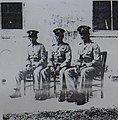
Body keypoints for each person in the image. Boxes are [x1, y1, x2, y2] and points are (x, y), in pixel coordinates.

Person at [64, 25, 102, 103]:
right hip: (82, 67)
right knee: (68, 72)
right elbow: (77, 59)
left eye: (84, 34)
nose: (83, 36)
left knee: (84, 72)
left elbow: (97, 60)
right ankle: (74, 93)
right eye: (81, 34)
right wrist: (77, 65)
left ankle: (82, 95)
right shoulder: (79, 46)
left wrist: (86, 65)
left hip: (94, 68)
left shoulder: (94, 45)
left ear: (88, 35)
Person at [10, 30, 47, 98]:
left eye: (33, 37)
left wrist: (36, 65)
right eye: (30, 37)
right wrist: (28, 65)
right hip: (30, 65)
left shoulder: (41, 46)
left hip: (38, 65)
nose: (31, 39)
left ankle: (37, 92)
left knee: (36, 73)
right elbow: (27, 59)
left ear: (36, 37)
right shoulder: (28, 47)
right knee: (18, 72)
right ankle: (17, 91)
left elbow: (43, 59)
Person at [40, 28, 72, 101]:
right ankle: (45, 92)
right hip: (53, 66)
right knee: (43, 72)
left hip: (63, 66)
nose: (58, 38)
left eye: (60, 36)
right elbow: (50, 59)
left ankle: (62, 93)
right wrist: (51, 67)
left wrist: (60, 66)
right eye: (57, 36)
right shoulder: (52, 47)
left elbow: (68, 59)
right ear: (55, 37)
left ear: (62, 37)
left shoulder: (67, 46)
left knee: (62, 72)